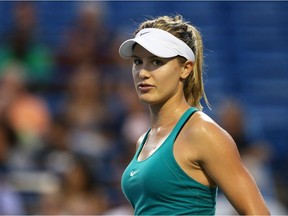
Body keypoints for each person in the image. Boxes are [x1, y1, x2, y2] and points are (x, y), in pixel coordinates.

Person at [118, 15, 270, 215]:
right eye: (138, 61)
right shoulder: (143, 141)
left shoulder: (202, 132)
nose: (143, 72)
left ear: (185, 68)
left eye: (156, 61)